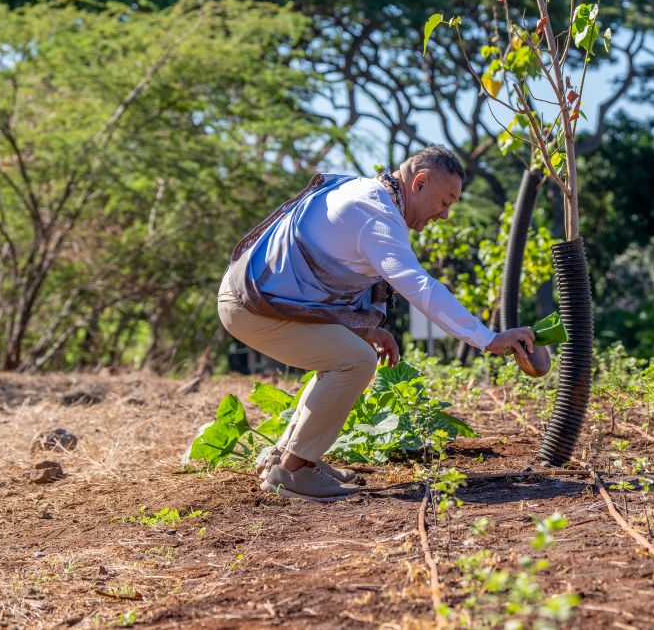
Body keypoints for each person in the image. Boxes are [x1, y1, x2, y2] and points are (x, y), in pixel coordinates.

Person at [216, 145, 536, 502]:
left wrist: (366, 329)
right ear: (419, 182)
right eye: (445, 201)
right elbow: (420, 287)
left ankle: (286, 457)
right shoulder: (376, 214)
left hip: (255, 299)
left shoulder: (364, 193)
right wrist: (487, 338)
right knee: (355, 360)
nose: (444, 215)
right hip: (251, 306)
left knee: (351, 353)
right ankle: (293, 470)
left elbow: (314, 284)